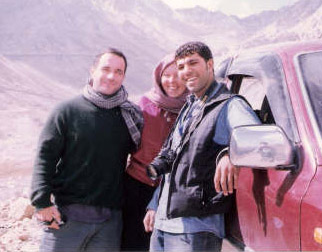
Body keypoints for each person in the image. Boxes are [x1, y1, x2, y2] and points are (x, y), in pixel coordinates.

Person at [143, 41, 261, 252]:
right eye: (181, 67)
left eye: (192, 63)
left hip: (196, 228)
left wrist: (230, 154)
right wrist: (155, 204)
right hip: (163, 223)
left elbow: (257, 139)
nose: (186, 71)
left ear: (209, 64)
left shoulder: (229, 105)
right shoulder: (189, 106)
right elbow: (174, 160)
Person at [30, 48, 143, 252]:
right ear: (93, 71)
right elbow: (45, 157)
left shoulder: (130, 116)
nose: (111, 76)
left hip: (109, 223)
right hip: (66, 218)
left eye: (119, 71)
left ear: (124, 76)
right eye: (106, 69)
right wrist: (42, 203)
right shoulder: (66, 111)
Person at [121, 54, 188, 251]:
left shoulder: (192, 109)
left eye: (178, 75)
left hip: (172, 190)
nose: (172, 81)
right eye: (167, 75)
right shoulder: (144, 104)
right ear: (159, 76)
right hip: (136, 185)